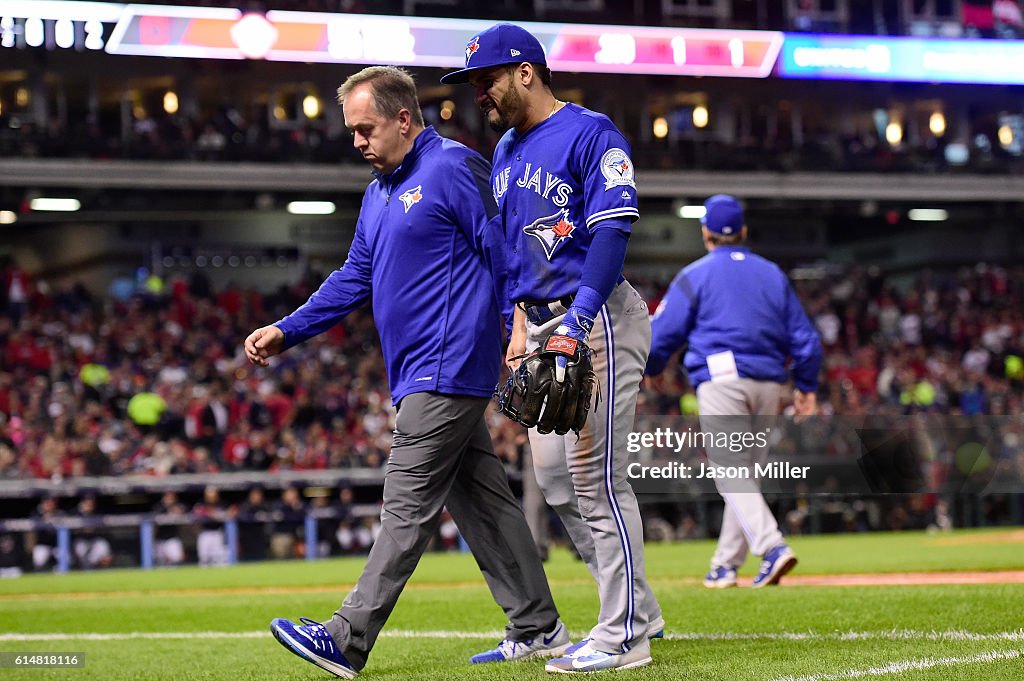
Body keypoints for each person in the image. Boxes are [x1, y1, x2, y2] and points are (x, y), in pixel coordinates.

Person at [246, 66, 566, 679]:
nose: (359, 142)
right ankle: (538, 624)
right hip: (421, 369)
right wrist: (288, 329)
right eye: (352, 132)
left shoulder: (452, 167)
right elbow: (353, 278)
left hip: (449, 365)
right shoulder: (378, 192)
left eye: (366, 128)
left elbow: (503, 251)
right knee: (482, 502)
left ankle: (347, 636)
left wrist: (520, 328)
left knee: (405, 503)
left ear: (402, 118)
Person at [442, 24, 663, 673]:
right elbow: (512, 253)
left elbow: (612, 231)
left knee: (596, 479)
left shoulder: (592, 132)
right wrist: (519, 324)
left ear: (526, 72)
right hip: (538, 324)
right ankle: (639, 608)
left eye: (486, 80)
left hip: (596, 316)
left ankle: (624, 634)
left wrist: (578, 321)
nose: (478, 94)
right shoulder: (506, 151)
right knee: (558, 482)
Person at [645, 194, 823, 588]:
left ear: (705, 232)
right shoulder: (772, 274)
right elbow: (806, 338)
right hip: (769, 383)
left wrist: (653, 368)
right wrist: (806, 385)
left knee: (731, 472)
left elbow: (663, 333)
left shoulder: (696, 274)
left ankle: (772, 546)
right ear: (743, 232)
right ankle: (724, 564)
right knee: (744, 476)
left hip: (722, 379)